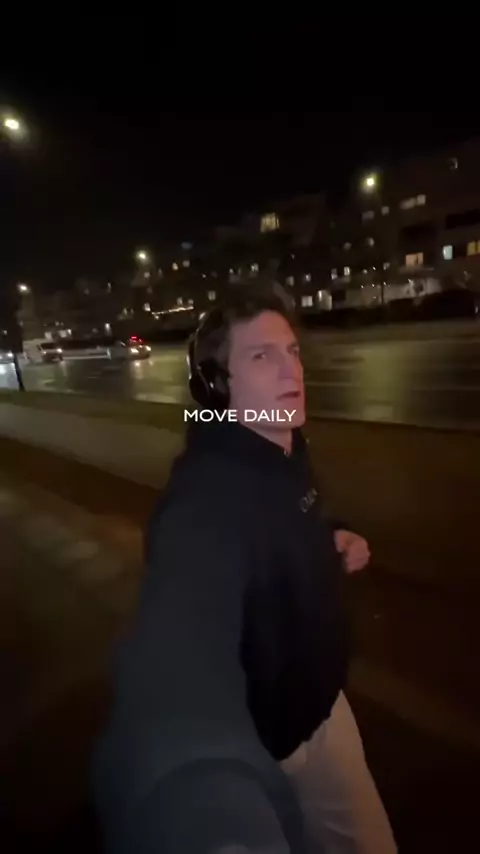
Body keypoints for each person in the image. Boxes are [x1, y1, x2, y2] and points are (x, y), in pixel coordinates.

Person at [92, 286, 397, 853]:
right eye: (262, 356)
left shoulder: (283, 447)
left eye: (292, 351)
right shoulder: (202, 502)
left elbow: (291, 517)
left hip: (323, 704)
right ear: (218, 385)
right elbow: (177, 646)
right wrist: (198, 787)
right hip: (269, 744)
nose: (291, 370)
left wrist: (332, 535)